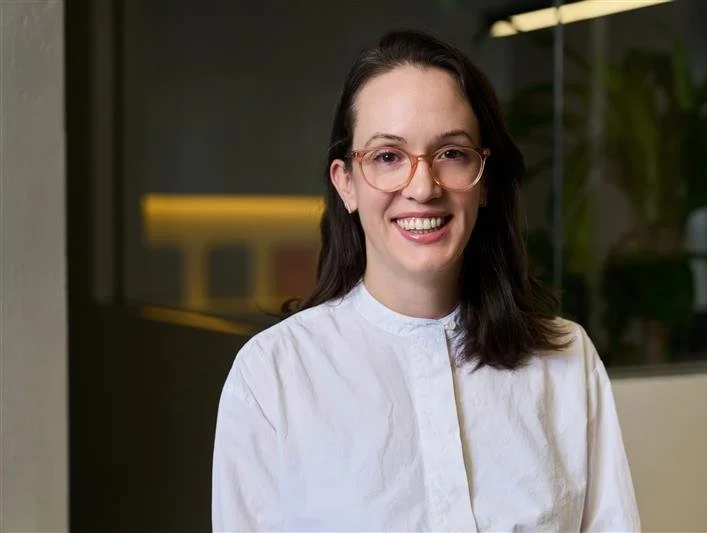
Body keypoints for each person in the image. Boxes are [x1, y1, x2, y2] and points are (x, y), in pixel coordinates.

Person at [212, 29, 640, 532]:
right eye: (388, 157)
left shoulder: (567, 360)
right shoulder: (272, 377)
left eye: (451, 154)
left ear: (485, 181)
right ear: (345, 183)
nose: (422, 187)